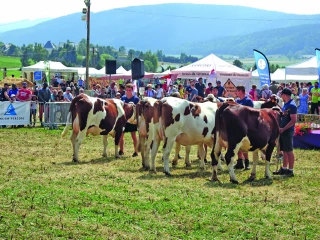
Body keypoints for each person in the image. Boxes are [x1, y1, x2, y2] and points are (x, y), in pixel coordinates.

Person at [273, 88, 297, 177]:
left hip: (287, 131)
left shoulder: (292, 105)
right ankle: (284, 168)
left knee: (289, 151)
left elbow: (293, 120)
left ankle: (290, 170)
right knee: (284, 151)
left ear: (284, 95)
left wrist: (284, 128)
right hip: (283, 130)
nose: (281, 96)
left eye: (281, 94)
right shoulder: (286, 104)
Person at [234, 85, 254, 170]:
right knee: (238, 144)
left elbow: (251, 113)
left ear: (241, 91)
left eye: (237, 91)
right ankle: (239, 161)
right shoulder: (237, 101)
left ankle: (247, 162)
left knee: (244, 144)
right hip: (237, 125)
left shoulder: (248, 101)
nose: (236, 92)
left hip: (246, 125)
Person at [119, 84, 140, 157]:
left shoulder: (136, 99)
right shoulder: (123, 98)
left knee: (133, 135)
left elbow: (138, 110)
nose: (128, 91)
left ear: (132, 90)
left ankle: (136, 151)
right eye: (127, 90)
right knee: (121, 135)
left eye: (129, 90)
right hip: (124, 120)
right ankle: (121, 151)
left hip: (132, 121)